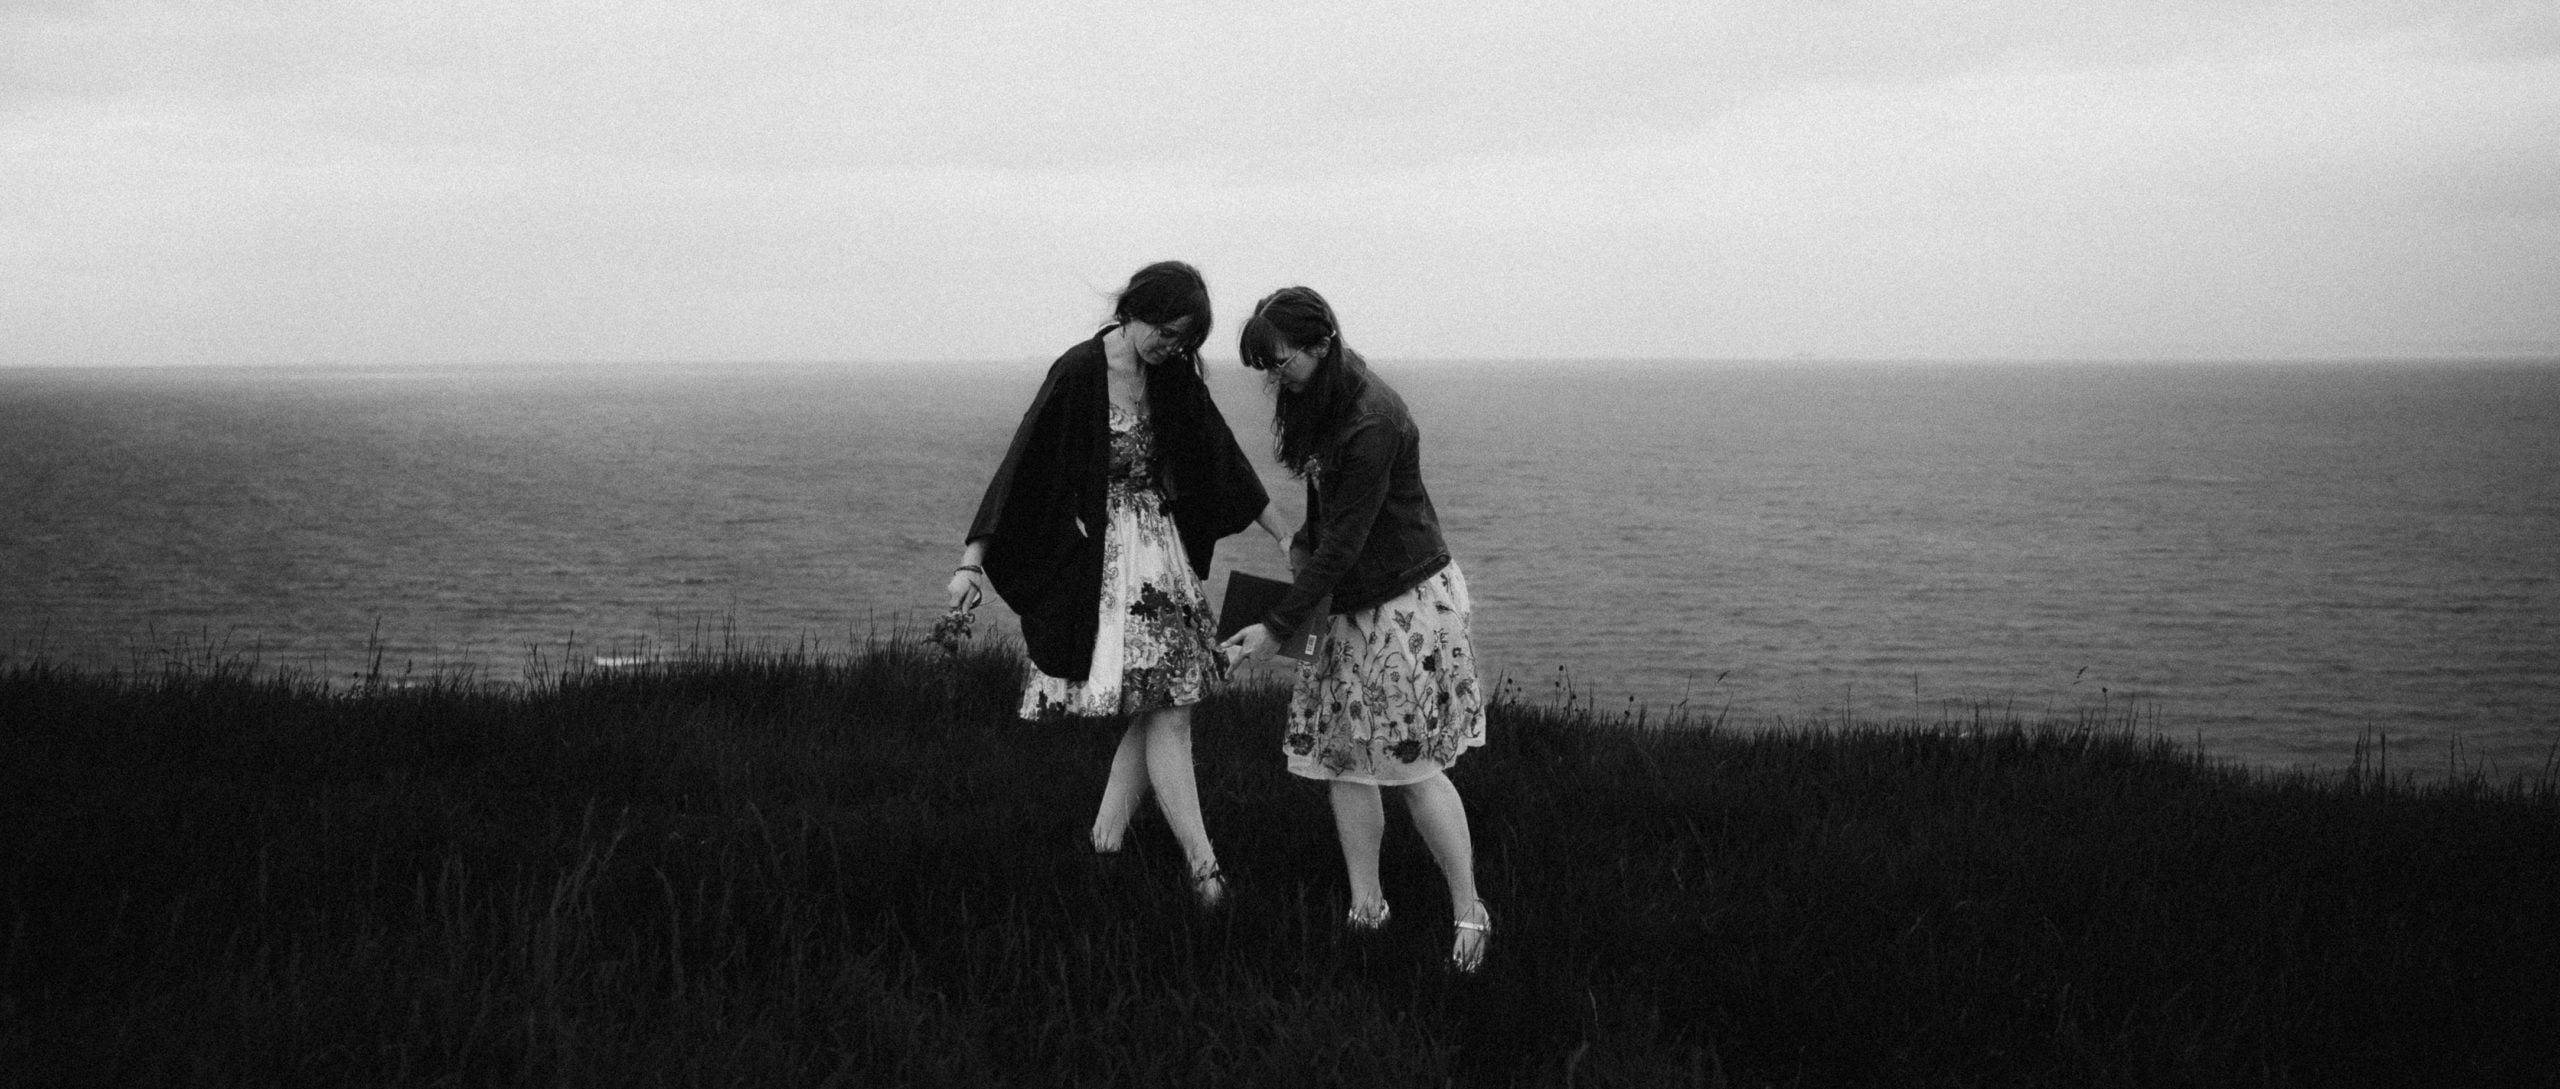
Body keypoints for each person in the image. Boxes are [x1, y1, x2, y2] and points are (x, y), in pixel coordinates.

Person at [948, 261, 1288, 910]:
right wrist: (971, 563)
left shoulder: (1173, 374)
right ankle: (1204, 868)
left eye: (1185, 340)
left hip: (1162, 557)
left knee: (1165, 704)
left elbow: (1222, 457)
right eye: (1166, 331)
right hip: (1105, 564)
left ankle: (1106, 839)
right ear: (1133, 308)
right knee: (1170, 707)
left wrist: (1284, 535)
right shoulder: (1079, 372)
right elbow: (1019, 467)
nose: (1170, 347)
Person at [1218, 286, 1492, 973]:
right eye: (1265, 366)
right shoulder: (1326, 396)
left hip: (1398, 606)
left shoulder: (1373, 419)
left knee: (1415, 765)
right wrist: (1299, 545)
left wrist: (1277, 627)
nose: (1273, 377)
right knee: (1345, 756)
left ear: (1321, 344)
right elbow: (1329, 516)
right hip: (1349, 602)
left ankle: (1470, 909)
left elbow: (1346, 542)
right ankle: (1366, 907)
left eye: (1279, 362)